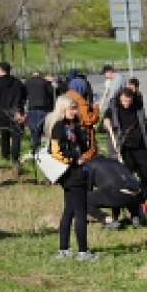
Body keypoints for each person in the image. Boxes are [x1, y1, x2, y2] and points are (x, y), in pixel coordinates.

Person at [46, 95, 98, 261]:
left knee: (69, 210)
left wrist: (83, 133)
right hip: (72, 174)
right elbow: (56, 152)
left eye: (75, 108)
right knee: (80, 212)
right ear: (63, 109)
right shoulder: (59, 127)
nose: (75, 111)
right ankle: (83, 251)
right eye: (72, 109)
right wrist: (75, 159)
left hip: (77, 172)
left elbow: (84, 145)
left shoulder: (74, 125)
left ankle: (64, 248)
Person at [104, 88, 147, 218]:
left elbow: (144, 126)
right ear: (120, 98)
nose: (126, 103)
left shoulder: (138, 107)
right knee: (127, 178)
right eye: (124, 100)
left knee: (146, 173)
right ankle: (125, 208)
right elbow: (104, 124)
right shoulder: (114, 107)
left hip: (138, 146)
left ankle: (141, 200)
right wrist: (106, 123)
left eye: (128, 100)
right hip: (123, 148)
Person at [0, 62, 27, 171]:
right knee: (16, 136)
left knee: (4, 135)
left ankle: (5, 155)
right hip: (16, 112)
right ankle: (15, 158)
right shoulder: (18, 82)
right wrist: (20, 108)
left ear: (1, 70)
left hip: (2, 113)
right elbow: (24, 96)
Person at [86, 155, 143, 230]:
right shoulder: (116, 162)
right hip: (137, 194)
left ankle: (108, 220)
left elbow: (87, 190)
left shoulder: (89, 165)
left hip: (116, 194)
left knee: (82, 199)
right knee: (120, 190)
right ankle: (136, 217)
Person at [23, 70, 55, 155]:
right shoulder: (45, 82)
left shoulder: (27, 82)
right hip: (43, 108)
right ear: (40, 75)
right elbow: (51, 93)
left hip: (31, 108)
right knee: (43, 128)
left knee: (33, 128)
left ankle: (35, 147)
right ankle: (46, 148)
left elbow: (23, 95)